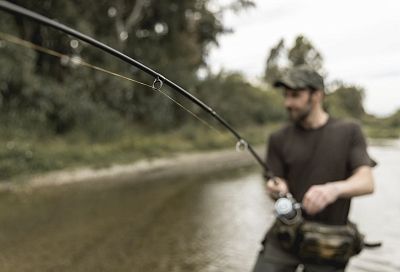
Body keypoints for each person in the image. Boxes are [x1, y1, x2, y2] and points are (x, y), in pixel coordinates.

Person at [252, 65, 376, 272]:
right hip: (285, 236)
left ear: (316, 95)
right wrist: (277, 189)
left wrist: (333, 190)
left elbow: (367, 182)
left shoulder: (349, 131)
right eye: (286, 96)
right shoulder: (278, 138)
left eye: (295, 95)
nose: (288, 103)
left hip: (330, 242)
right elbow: (276, 180)